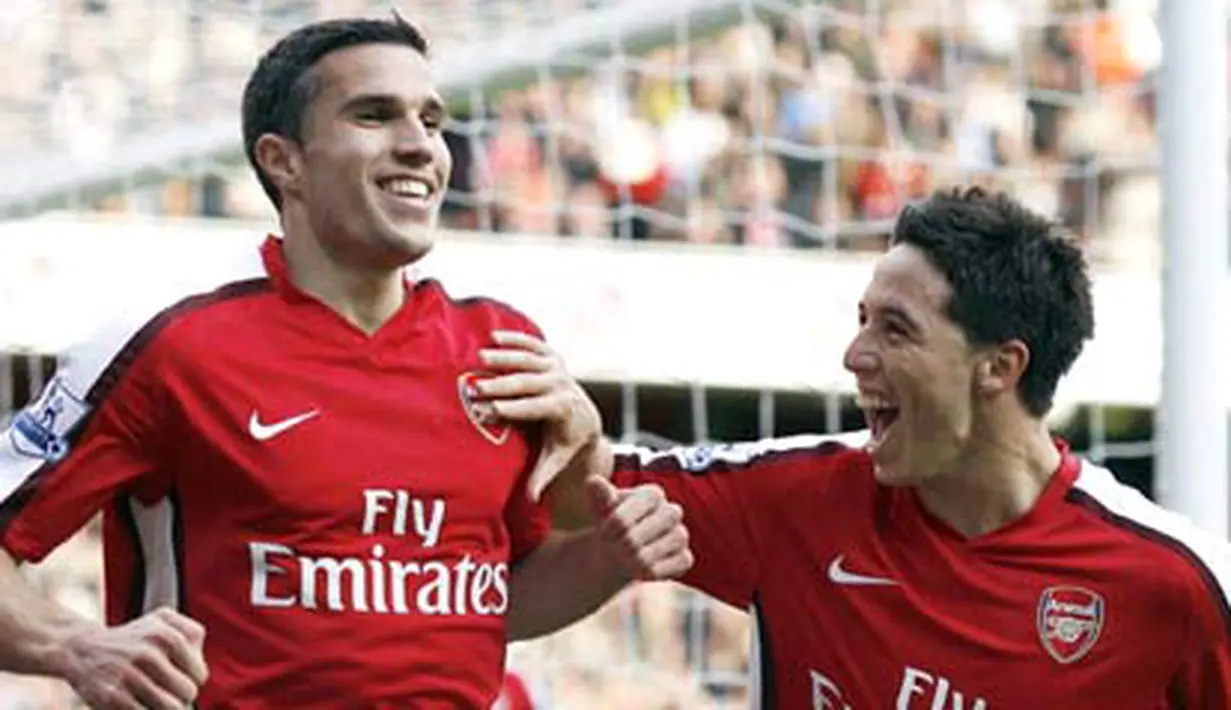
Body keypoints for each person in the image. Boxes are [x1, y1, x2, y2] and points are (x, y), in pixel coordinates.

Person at [0, 14, 691, 710]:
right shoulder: (171, 346)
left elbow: (488, 607)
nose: (421, 145)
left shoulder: (501, 350)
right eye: (374, 116)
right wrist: (71, 644)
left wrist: (606, 555)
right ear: (284, 161)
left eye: (430, 120)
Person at [517, 186, 1231, 708]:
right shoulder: (796, 499)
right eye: (862, 321)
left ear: (999, 367)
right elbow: (594, 495)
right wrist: (570, 427)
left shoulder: (1171, 583)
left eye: (895, 329)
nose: (854, 355)